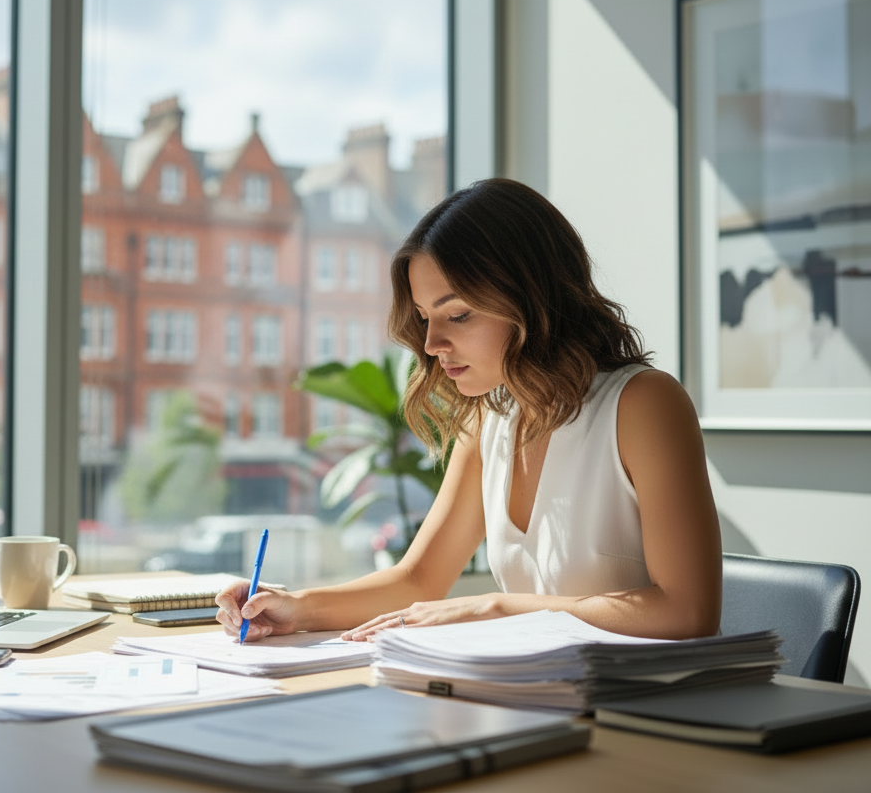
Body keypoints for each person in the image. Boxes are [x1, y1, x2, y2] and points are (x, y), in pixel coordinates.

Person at [216, 178, 722, 643]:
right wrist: (295, 607)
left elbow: (689, 612)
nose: (432, 342)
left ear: (532, 299)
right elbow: (417, 579)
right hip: (535, 699)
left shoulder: (644, 405)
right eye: (424, 317)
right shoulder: (490, 417)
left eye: (457, 314)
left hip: (642, 713)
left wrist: (499, 608)